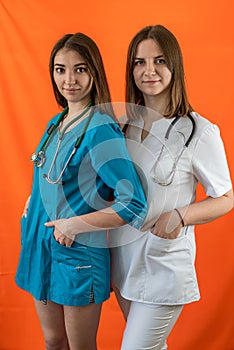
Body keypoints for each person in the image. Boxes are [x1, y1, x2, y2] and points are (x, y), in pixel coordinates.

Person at [15, 32, 147, 350]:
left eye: (80, 69)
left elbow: (134, 203)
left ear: (94, 73)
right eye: (60, 69)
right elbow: (56, 176)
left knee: (80, 347)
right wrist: (35, 197)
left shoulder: (101, 130)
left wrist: (75, 224)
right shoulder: (56, 123)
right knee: (52, 340)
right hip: (41, 246)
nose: (69, 79)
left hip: (77, 255)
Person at [110, 24, 233, 349]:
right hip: (123, 261)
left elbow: (225, 198)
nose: (148, 71)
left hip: (162, 262)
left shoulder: (199, 131)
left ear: (174, 66)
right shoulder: (126, 126)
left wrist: (179, 215)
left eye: (159, 61)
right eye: (139, 62)